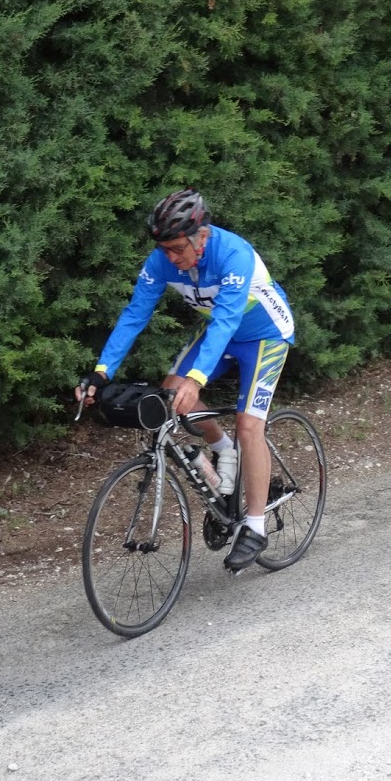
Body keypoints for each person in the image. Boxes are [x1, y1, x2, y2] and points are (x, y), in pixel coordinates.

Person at [76, 189, 296, 570]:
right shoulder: (162, 260)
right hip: (219, 336)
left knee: (249, 424)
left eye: (178, 248)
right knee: (172, 393)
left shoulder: (233, 254)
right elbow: (135, 314)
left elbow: (227, 320)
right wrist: (101, 371)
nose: (172, 259)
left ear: (203, 235)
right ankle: (223, 449)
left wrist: (195, 378)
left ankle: (256, 527)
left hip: (265, 335)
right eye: (165, 250)